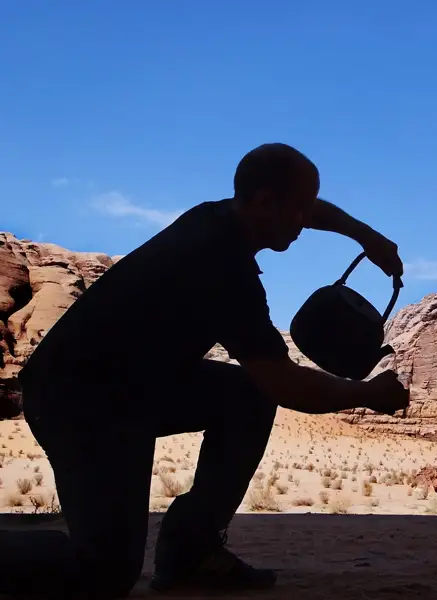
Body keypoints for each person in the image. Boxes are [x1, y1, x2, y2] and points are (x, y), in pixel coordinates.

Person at [0, 142, 410, 599]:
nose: (305, 222)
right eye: (298, 209)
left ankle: (192, 553)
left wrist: (365, 236)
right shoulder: (219, 266)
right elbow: (286, 383)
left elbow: (312, 213)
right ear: (263, 201)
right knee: (103, 572)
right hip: (81, 401)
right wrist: (369, 393)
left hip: (135, 387)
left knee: (245, 395)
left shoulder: (218, 217)